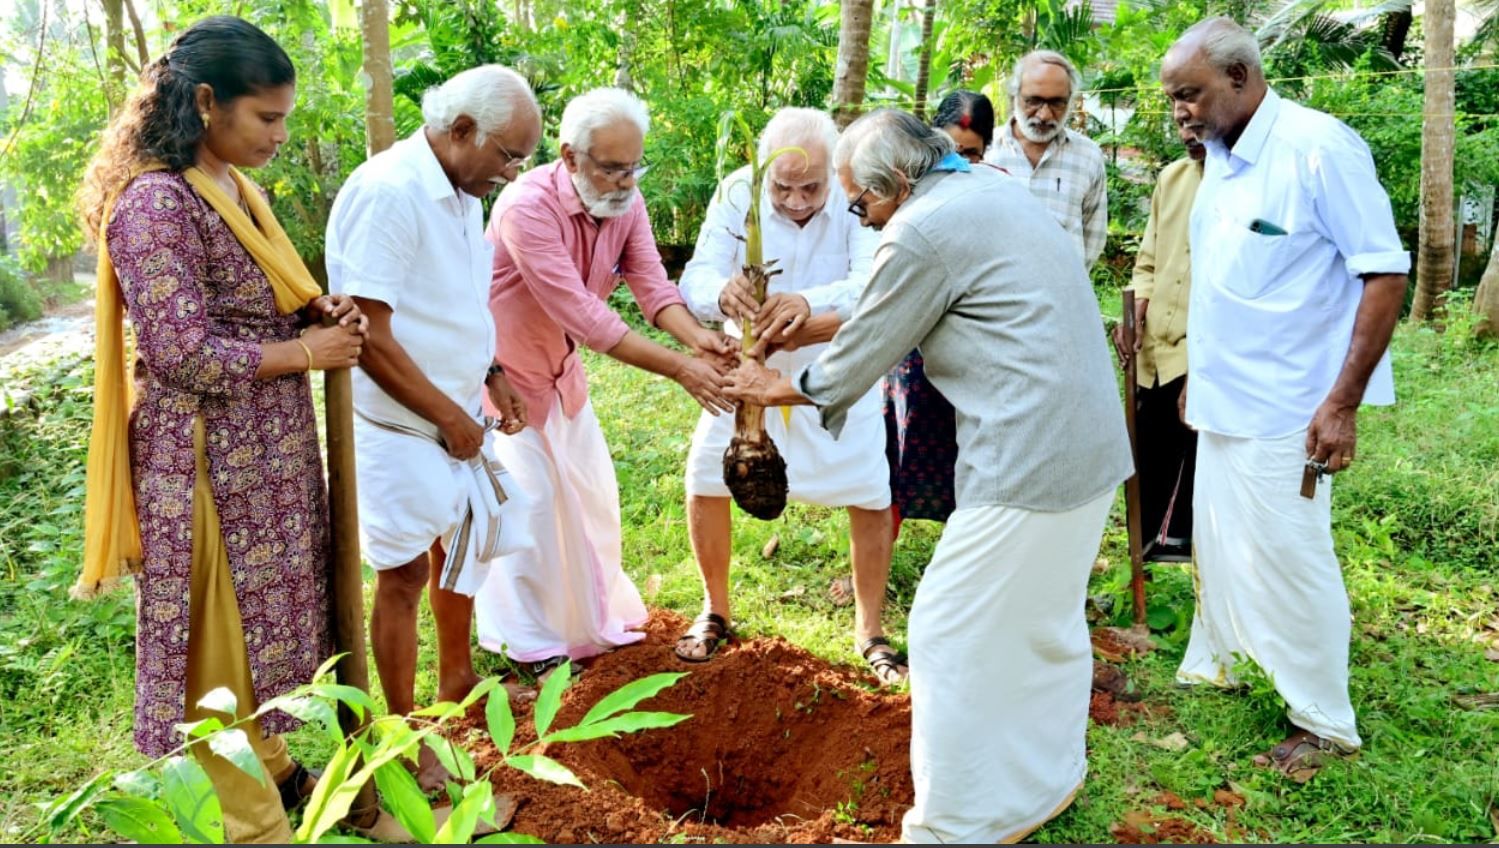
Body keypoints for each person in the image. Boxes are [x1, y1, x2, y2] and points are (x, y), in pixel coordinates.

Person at [726, 109, 1132, 844]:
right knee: (1044, 622)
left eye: (861, 203)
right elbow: (896, 289)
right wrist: (815, 308)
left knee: (946, 631)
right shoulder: (989, 187)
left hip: (1028, 459)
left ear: (896, 184)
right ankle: (1044, 779)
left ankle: (955, 825)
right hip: (1089, 446)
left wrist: (771, 389)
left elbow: (864, 346)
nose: (861, 216)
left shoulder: (920, 228)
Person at [77, 16, 366, 842]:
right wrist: (306, 350)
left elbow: (269, 298)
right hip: (203, 458)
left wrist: (317, 308)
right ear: (206, 103)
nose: (278, 135)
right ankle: (252, 827)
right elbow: (179, 351)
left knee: (265, 627)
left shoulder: (240, 189)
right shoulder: (155, 204)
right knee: (214, 642)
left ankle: (273, 765)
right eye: (266, 118)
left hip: (267, 453)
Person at [1161, 17, 1409, 778]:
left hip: (1290, 406)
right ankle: (1223, 661)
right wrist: (1199, 378)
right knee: (1222, 543)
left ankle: (1323, 721)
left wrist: (1340, 404)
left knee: (1289, 556)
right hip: (1226, 396)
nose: (1181, 113)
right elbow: (1234, 277)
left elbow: (1384, 273)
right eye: (1172, 99)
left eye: (1191, 95)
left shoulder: (1317, 148)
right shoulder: (1222, 159)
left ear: (1239, 78)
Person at [326, 64, 540, 792]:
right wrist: (449, 417)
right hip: (394, 420)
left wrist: (489, 372)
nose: (513, 173)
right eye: (508, 155)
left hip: (451, 411)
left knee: (462, 543)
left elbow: (453, 301)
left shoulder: (461, 187)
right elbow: (371, 333)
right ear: (458, 131)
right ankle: (398, 731)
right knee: (404, 570)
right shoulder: (389, 193)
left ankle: (455, 683)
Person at [475, 88, 736, 676]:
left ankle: (585, 621)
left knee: (591, 499)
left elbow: (651, 284)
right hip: (505, 376)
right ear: (570, 157)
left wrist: (700, 340)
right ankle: (533, 644)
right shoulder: (526, 206)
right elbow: (584, 315)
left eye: (633, 167)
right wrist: (680, 369)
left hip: (562, 373)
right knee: (532, 510)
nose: (624, 181)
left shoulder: (626, 201)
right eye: (612, 168)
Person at [675, 107, 903, 684]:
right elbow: (696, 276)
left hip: (835, 369)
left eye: (811, 187)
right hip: (749, 373)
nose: (797, 200)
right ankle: (715, 608)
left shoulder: (858, 193)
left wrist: (806, 303)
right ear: (763, 174)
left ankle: (871, 629)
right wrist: (722, 297)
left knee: (869, 489)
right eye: (783, 187)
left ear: (835, 172)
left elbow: (873, 282)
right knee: (706, 475)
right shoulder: (736, 192)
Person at [883, 90, 998, 536]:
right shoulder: (905, 190)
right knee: (892, 450)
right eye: (948, 151)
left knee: (965, 455)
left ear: (986, 150)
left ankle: (961, 554)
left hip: (970, 349)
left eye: (970, 153)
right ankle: (875, 556)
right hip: (910, 345)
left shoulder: (996, 192)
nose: (959, 163)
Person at [1112, 125, 1206, 561]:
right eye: (1179, 120)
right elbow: (1148, 262)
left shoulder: (1244, 188)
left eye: (1196, 119)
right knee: (1145, 464)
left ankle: (1197, 579)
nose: (1186, 128)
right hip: (1153, 351)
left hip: (1200, 349)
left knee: (1194, 476)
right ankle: (1140, 570)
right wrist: (1137, 314)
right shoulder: (1172, 178)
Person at [985, 50, 1108, 269]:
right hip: (993, 297)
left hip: (1063, 296)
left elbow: (1094, 238)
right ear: (1014, 97)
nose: (1044, 115)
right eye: (1033, 101)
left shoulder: (1087, 156)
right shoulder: (986, 151)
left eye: (1056, 103)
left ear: (1070, 102)